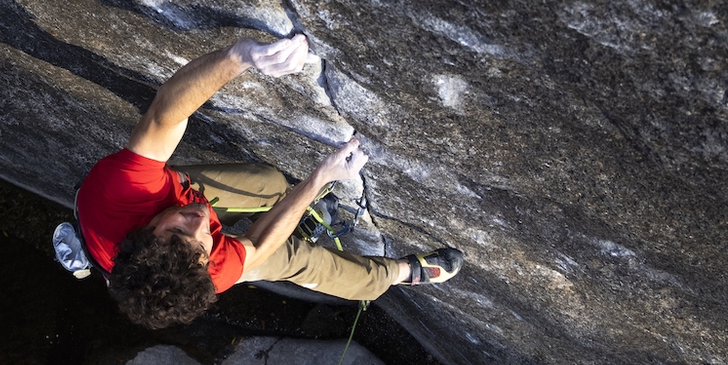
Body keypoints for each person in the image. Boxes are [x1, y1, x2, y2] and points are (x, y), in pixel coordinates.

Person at [76, 33, 463, 329]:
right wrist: (320, 178)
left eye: (178, 229)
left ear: (147, 230)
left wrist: (240, 57)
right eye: (202, 244)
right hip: (157, 238)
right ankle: (397, 275)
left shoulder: (122, 192)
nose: (198, 220)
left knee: (268, 183)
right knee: (296, 259)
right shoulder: (211, 269)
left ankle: (293, 206)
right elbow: (259, 245)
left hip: (124, 209)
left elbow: (165, 114)